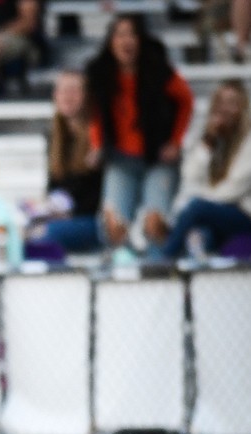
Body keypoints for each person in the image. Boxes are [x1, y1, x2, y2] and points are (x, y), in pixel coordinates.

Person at [86, 15, 193, 252]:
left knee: (155, 224)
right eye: (120, 34)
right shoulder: (101, 75)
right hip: (120, 158)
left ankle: (159, 272)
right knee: (113, 225)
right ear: (111, 42)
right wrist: (96, 145)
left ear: (141, 40)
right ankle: (124, 270)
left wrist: (175, 141)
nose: (126, 41)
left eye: (131, 34)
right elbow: (96, 114)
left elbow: (186, 100)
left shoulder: (159, 71)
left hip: (157, 157)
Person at [153, 79, 251, 260]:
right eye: (220, 102)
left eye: (232, 103)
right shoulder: (207, 135)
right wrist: (209, 142)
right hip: (215, 212)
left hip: (244, 214)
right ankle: (190, 280)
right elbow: (190, 175)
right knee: (201, 235)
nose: (224, 109)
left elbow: (234, 189)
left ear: (243, 108)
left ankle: (163, 261)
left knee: (195, 210)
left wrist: (199, 203)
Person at [31, 69, 102, 255]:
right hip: (62, 218)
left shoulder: (99, 138)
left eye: (74, 90)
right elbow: (54, 186)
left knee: (47, 234)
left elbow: (98, 196)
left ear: (86, 96)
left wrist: (66, 211)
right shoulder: (54, 137)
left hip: (92, 220)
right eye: (63, 90)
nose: (67, 96)